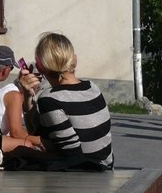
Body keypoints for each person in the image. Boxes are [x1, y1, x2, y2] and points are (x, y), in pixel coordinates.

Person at [17, 32, 114, 171]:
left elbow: (72, 156)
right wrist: (28, 96)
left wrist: (26, 96)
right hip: (105, 167)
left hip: (86, 173)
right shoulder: (93, 87)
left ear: (41, 66)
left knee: (16, 154)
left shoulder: (50, 99)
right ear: (74, 60)